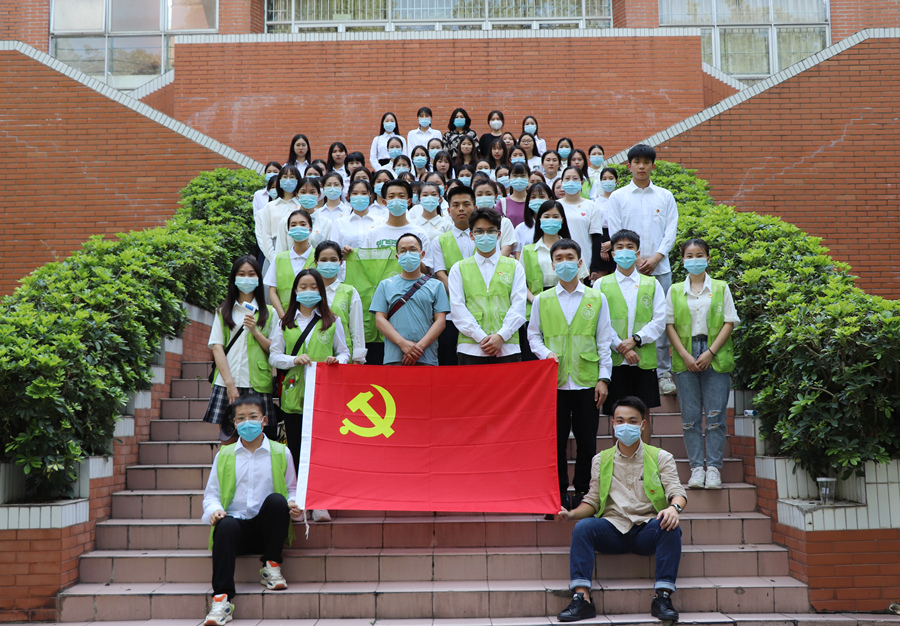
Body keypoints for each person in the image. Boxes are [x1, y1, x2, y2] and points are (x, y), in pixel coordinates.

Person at [554, 396, 686, 623]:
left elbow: (677, 492)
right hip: (612, 529)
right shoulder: (601, 459)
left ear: (642, 424)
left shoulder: (660, 457)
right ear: (613, 423)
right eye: (621, 420)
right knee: (583, 528)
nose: (626, 426)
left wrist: (674, 508)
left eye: (633, 421)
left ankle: (662, 596)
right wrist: (572, 514)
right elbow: (593, 501)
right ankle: (582, 598)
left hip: (647, 528)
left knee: (670, 526)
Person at [528, 238, 611, 511]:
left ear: (580, 262)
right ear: (553, 265)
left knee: (587, 442)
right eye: (559, 258)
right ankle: (559, 494)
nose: (564, 263)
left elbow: (603, 341)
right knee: (555, 443)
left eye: (570, 257)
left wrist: (604, 378)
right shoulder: (542, 299)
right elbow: (533, 336)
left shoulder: (596, 298)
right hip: (555, 382)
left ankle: (584, 492)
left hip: (587, 380)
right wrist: (545, 354)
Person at [201, 394, 299, 626]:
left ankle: (271, 566)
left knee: (277, 501)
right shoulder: (224, 455)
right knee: (224, 524)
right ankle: (222, 600)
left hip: (268, 532)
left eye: (253, 417)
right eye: (241, 418)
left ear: (264, 420)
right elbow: (211, 494)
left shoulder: (281, 452)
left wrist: (294, 505)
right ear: (235, 423)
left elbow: (292, 490)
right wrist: (215, 510)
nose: (247, 422)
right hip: (235, 531)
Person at [268, 269, 350, 520]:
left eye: (313, 287)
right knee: (295, 448)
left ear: (321, 291)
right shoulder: (285, 323)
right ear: (295, 291)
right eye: (302, 287)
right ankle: (299, 501)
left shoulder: (332, 321)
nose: (308, 291)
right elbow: (274, 356)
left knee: (321, 449)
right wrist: (293, 360)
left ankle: (320, 501)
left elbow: (345, 353)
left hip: (324, 396)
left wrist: (337, 360)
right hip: (294, 396)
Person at [666, 238, 739, 490]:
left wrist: (710, 352)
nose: (694, 259)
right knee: (690, 418)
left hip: (714, 353)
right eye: (689, 255)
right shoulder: (675, 290)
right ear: (682, 260)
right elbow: (669, 325)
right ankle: (697, 468)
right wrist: (685, 355)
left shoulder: (720, 287)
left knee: (716, 416)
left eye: (699, 255)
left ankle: (714, 469)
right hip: (685, 354)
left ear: (708, 259)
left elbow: (729, 321)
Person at [606, 144, 679, 396]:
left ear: (653, 166)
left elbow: (671, 230)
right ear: (629, 166)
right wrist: (636, 261)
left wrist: (657, 257)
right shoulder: (618, 197)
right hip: (629, 267)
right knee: (626, 316)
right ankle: (626, 364)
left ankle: (663, 372)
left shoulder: (665, 196)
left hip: (660, 268)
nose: (641, 166)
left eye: (646, 162)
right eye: (636, 162)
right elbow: (616, 232)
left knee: (662, 320)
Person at [598, 230, 666, 433]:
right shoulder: (601, 284)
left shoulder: (652, 284)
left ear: (638, 253)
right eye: (619, 247)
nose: (624, 251)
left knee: (643, 414)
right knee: (617, 415)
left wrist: (635, 340)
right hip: (615, 361)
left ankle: (644, 455)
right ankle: (619, 455)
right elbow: (600, 323)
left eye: (630, 247)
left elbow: (659, 320)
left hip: (643, 360)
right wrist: (622, 347)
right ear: (612, 254)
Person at [204, 257, 277, 443]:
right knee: (228, 439)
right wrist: (230, 384)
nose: (246, 279)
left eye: (251, 274)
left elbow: (274, 350)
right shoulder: (224, 311)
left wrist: (255, 331)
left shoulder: (270, 313)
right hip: (227, 383)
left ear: (258, 279)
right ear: (234, 279)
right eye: (241, 274)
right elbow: (217, 347)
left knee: (258, 441)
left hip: (257, 383)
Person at [448, 207, 526, 364]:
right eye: (479, 231)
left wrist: (501, 336)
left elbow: (519, 305)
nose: (485, 235)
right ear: (471, 235)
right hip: (471, 347)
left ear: (499, 234)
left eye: (491, 231)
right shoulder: (459, 268)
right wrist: (481, 337)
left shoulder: (514, 266)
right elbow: (457, 308)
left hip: (507, 346)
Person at [371, 233, 449, 366]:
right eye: (403, 251)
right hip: (394, 358)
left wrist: (418, 348)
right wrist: (403, 344)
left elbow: (440, 322)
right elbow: (380, 320)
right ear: (397, 256)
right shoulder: (385, 285)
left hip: (426, 357)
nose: (408, 254)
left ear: (422, 254)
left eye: (413, 249)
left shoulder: (437, 285)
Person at [431, 186, 476, 365]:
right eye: (456, 205)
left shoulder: (485, 238)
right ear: (448, 211)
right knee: (449, 359)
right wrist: (460, 296)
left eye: (466, 204)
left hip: (479, 310)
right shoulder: (439, 241)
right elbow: (440, 273)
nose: (461, 209)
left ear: (475, 208)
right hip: (450, 311)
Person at [315, 241, 367, 365]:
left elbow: (357, 328)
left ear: (341, 262)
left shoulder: (349, 292)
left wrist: (358, 359)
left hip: (343, 358)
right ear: (316, 262)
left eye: (333, 260)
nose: (328, 263)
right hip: (314, 355)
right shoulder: (309, 292)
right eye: (323, 260)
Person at [264, 209, 316, 319]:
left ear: (310, 229)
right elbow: (272, 291)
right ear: (288, 230)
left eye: (303, 224)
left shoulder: (318, 258)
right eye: (293, 225)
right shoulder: (279, 258)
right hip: (284, 317)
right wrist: (283, 317)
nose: (298, 228)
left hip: (313, 317)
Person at [255, 164, 302, 267]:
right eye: (285, 177)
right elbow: (265, 235)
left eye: (292, 177)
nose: (288, 180)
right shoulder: (270, 207)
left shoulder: (301, 206)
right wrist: (274, 258)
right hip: (273, 254)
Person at [331, 179, 385, 256]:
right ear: (349, 196)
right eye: (355, 193)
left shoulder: (381, 222)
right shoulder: (339, 223)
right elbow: (333, 251)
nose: (359, 196)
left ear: (370, 195)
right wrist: (343, 252)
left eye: (364, 193)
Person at [590, 167, 618, 277]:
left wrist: (612, 243)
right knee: (601, 277)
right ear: (600, 181)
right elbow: (594, 226)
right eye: (604, 179)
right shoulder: (595, 202)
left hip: (618, 238)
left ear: (616, 181)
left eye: (611, 178)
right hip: (600, 237)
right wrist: (601, 248)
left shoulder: (620, 200)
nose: (607, 181)